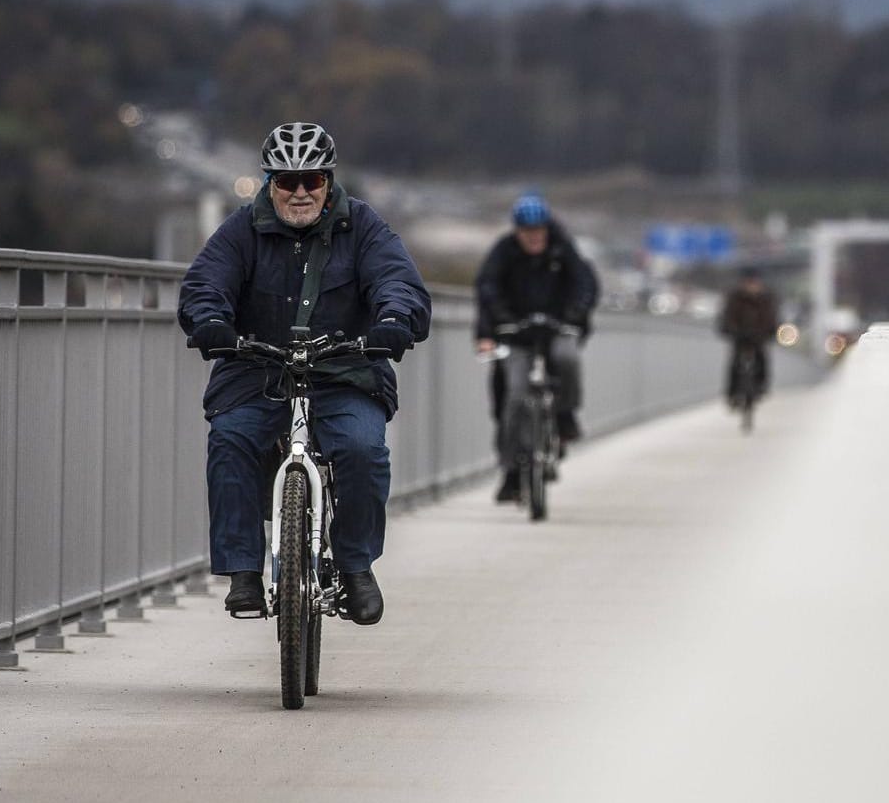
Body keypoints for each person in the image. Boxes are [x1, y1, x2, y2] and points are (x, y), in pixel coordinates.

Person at [178, 121, 431, 624]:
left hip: (345, 370)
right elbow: (205, 283)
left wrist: (394, 320)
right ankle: (244, 571)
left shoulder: (363, 227)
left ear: (328, 181)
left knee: (363, 449)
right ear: (269, 183)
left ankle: (357, 566)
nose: (299, 192)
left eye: (311, 180)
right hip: (257, 369)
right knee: (229, 440)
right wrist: (210, 321)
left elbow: (398, 281)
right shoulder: (240, 230)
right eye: (286, 181)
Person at [474, 192, 598, 503]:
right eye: (527, 232)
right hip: (516, 332)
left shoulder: (562, 249)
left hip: (557, 327)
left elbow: (585, 284)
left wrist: (574, 316)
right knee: (514, 396)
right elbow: (487, 290)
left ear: (547, 229)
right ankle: (511, 470)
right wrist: (494, 327)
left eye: (538, 231)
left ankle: (566, 415)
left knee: (567, 358)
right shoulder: (504, 253)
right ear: (517, 231)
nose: (533, 238)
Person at [718, 267, 779, 406]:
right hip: (739, 336)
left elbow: (771, 318)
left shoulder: (767, 298)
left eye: (754, 282)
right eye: (749, 282)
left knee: (762, 359)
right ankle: (732, 392)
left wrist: (769, 332)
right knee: (734, 363)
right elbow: (727, 316)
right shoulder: (734, 297)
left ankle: (761, 386)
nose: (751, 286)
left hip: (758, 336)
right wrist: (730, 329)